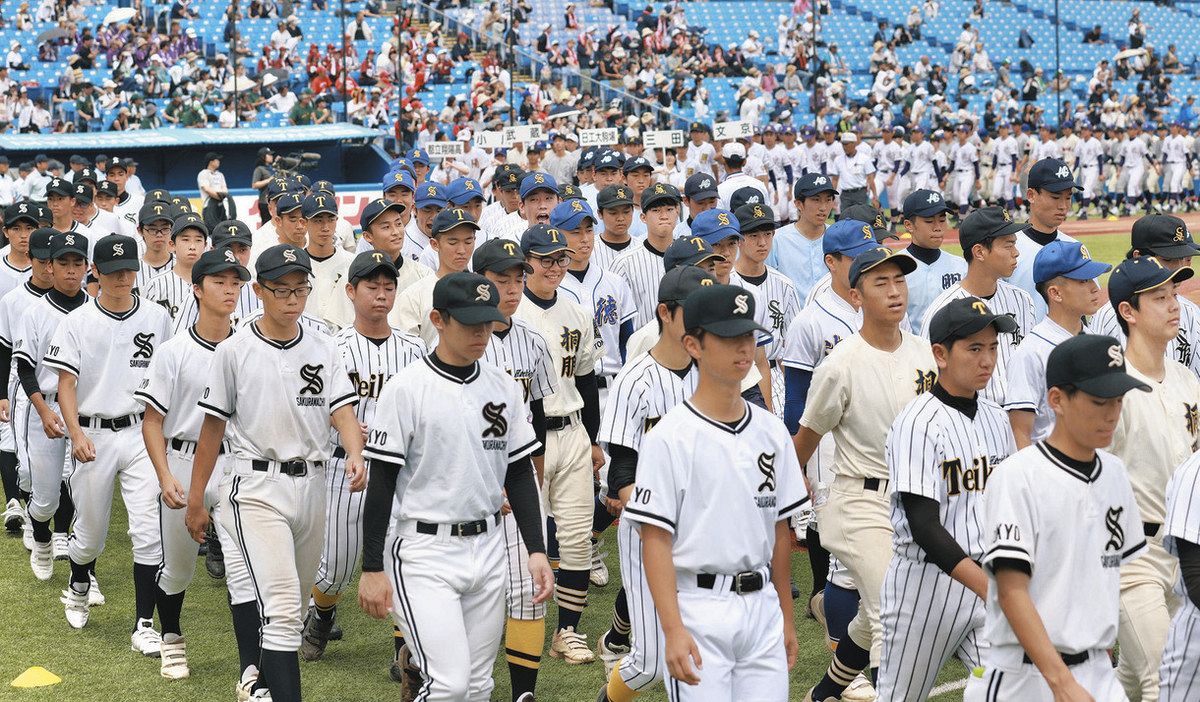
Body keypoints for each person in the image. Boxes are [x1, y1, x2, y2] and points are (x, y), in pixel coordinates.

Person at [358, 271, 553, 702]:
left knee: (480, 685)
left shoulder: (501, 384)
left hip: (489, 547)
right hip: (424, 551)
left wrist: (536, 549)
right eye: (470, 323)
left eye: (487, 322)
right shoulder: (407, 388)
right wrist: (372, 568)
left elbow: (518, 472)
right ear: (439, 320)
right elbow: (382, 483)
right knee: (450, 685)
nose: (482, 333)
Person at [187, 243, 366, 702]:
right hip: (254, 484)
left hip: (313, 483)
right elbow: (212, 430)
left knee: (293, 601)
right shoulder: (234, 350)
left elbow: (342, 410)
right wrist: (195, 498)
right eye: (281, 289)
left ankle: (260, 685)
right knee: (285, 608)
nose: (292, 298)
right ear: (259, 291)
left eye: (300, 289)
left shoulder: (325, 344)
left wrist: (355, 451)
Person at [624, 282, 808, 699]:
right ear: (694, 344)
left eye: (747, 335)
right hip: (698, 607)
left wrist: (786, 616)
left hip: (761, 607)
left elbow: (781, 532)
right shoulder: (669, 436)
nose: (744, 348)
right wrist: (672, 630)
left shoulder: (771, 431)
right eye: (728, 337)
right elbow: (654, 539)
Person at [966, 334, 1149, 701]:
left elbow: (1125, 574)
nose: (1112, 413)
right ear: (1057, 400)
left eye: (1118, 400)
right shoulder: (1018, 476)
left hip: (1099, 670)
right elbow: (1012, 590)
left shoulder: (1114, 473)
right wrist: (1062, 683)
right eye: (1099, 401)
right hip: (1027, 676)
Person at [796, 246, 936, 701]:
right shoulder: (840, 363)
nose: (895, 291)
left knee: (870, 615)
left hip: (914, 500)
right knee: (891, 617)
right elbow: (808, 436)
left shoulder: (924, 353)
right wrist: (787, 487)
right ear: (856, 297)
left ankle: (823, 694)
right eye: (881, 283)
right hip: (859, 501)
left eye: (899, 281)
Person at [875, 297, 1018, 700]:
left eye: (992, 347)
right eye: (974, 348)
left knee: (1011, 688)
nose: (987, 360)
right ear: (940, 354)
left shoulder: (995, 418)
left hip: (986, 577)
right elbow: (923, 525)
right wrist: (989, 587)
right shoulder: (917, 423)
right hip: (925, 587)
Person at [45, 233, 172, 654]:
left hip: (141, 432)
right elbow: (66, 384)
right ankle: (80, 580)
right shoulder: (77, 321)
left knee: (148, 531)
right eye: (114, 271)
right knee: (90, 533)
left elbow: (169, 378)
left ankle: (144, 624)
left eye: (129, 270)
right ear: (94, 272)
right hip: (93, 432)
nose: (123, 278)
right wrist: (76, 432)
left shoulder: (156, 317)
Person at [594, 265, 714, 702]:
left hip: (706, 528)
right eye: (694, 311)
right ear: (665, 313)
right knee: (650, 662)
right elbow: (620, 472)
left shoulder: (713, 373)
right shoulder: (634, 380)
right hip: (649, 530)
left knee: (707, 647)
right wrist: (657, 515)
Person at [136, 248, 257, 681]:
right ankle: (170, 636)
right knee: (179, 568)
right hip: (183, 462)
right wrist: (165, 475)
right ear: (197, 288)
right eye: (220, 281)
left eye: (236, 281)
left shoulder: (250, 344)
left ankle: (250, 672)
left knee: (243, 571)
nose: (230, 289)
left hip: (236, 466)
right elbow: (152, 421)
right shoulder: (173, 350)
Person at [299, 251, 424, 663]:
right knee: (335, 566)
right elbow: (314, 408)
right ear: (351, 291)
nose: (381, 295)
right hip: (343, 467)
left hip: (398, 468)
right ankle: (321, 613)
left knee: (401, 555)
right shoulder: (331, 348)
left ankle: (403, 646)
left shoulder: (413, 347)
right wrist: (344, 426)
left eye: (389, 287)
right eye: (372, 286)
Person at [1104, 257, 1200, 701]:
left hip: (1185, 551)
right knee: (1163, 676)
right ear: (1129, 312)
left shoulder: (1188, 381)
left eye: (1175, 295)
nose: (1173, 305)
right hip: (1130, 553)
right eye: (1159, 298)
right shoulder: (1110, 387)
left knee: (1133, 675)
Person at [470, 239, 558, 702]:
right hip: (468, 483)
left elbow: (538, 418)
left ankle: (524, 693)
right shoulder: (459, 340)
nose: (511, 288)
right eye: (500, 279)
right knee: (474, 591)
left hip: (518, 475)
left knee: (529, 587)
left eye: (517, 279)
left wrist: (535, 481)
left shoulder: (533, 341)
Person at [515, 223, 604, 664]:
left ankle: (567, 631)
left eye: (560, 259)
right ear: (526, 262)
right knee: (520, 542)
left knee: (575, 539)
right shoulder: (510, 316)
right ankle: (514, 626)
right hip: (526, 439)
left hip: (572, 432)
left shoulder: (576, 311)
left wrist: (594, 438)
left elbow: (587, 379)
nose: (554, 267)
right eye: (545, 259)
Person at [14, 230, 89, 586]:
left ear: (88, 267)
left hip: (86, 410)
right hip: (45, 405)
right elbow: (25, 367)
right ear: (50, 266)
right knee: (44, 499)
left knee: (82, 491)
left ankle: (85, 572)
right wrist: (43, 411)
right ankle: (41, 536)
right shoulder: (35, 312)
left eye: (78, 263)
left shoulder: (97, 310)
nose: (71, 270)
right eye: (64, 263)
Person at [920, 207, 1036, 406]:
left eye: (1015, 244)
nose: (1016, 253)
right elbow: (928, 376)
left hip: (1021, 417)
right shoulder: (942, 310)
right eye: (1008, 245)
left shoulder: (1023, 301)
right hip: (970, 421)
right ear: (979, 252)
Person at [1089, 215, 1200, 378]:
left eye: (1182, 259)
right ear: (1137, 256)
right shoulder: (1108, 317)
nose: (1178, 268)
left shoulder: (1189, 312)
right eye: (1168, 259)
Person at [391, 206, 478, 348]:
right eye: (453, 242)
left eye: (468, 241)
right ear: (434, 244)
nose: (462, 250)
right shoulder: (415, 295)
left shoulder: (483, 290)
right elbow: (402, 349)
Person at [1007, 158, 1082, 320]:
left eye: (1068, 197)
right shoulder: (1009, 250)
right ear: (1031, 195)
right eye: (1055, 197)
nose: (1063, 206)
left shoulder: (1076, 248)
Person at [611, 184, 683, 329]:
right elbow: (615, 317)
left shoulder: (692, 255)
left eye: (669, 210)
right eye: (656, 210)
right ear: (643, 217)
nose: (663, 216)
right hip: (642, 348)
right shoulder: (624, 262)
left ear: (677, 212)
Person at [901, 189, 966, 332]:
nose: (938, 228)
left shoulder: (961, 266)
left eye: (942, 220)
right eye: (929, 221)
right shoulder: (896, 268)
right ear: (909, 225)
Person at [767, 173, 838, 303]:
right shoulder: (778, 240)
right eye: (816, 200)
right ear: (799, 204)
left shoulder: (838, 237)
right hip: (791, 318)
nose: (823, 207)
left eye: (828, 200)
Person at [301, 192, 355, 331]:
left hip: (344, 341)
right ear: (304, 223)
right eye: (318, 220)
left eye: (330, 219)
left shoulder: (353, 263)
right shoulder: (295, 264)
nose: (325, 227)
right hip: (304, 338)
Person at [142, 212, 208, 323]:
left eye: (198, 240)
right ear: (172, 245)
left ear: (205, 245)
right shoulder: (155, 284)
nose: (192, 246)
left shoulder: (214, 283)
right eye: (185, 239)